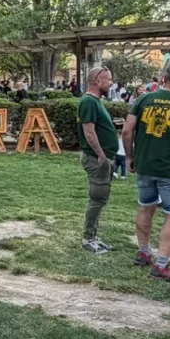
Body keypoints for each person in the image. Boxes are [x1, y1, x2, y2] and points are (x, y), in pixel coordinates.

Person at [122, 62, 170, 282]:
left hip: (145, 164)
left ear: (164, 77)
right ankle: (161, 264)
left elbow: (126, 131)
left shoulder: (144, 99)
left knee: (146, 207)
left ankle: (143, 251)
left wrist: (130, 156)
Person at [77, 67, 117, 254]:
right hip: (96, 159)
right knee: (97, 198)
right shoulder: (89, 102)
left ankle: (93, 236)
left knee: (100, 199)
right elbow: (89, 131)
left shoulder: (95, 102)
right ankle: (88, 238)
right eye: (108, 80)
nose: (111, 83)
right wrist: (101, 155)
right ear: (98, 81)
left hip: (102, 158)